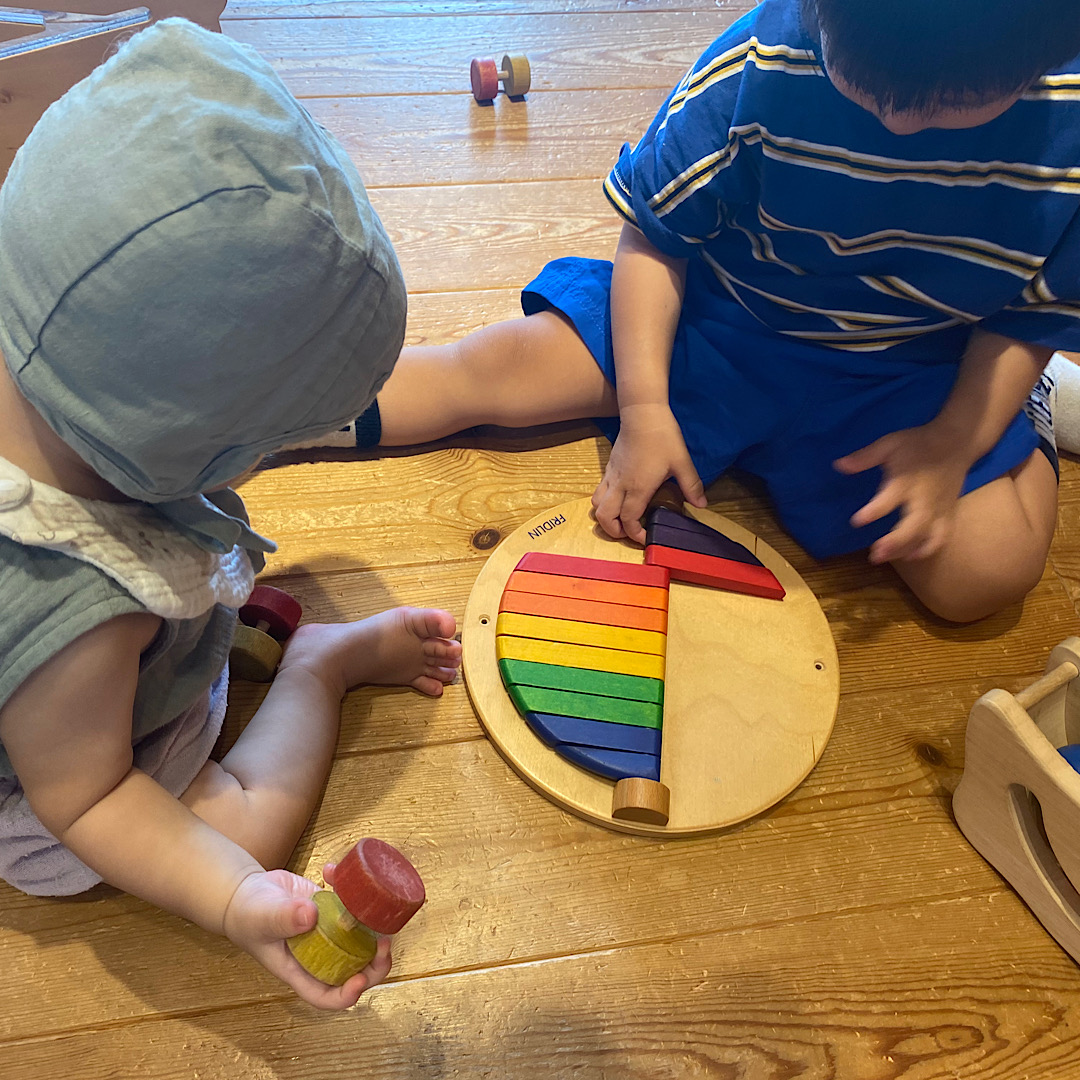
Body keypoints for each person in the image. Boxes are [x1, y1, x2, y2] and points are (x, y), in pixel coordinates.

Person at [324, 0, 1080, 624]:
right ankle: (282, 413)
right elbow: (655, 241)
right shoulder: (756, 63)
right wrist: (644, 404)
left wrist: (955, 441)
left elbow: (1031, 316)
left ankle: (1037, 403)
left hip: (913, 368)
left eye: (953, 105)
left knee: (987, 576)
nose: (899, 122)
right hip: (719, 323)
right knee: (491, 370)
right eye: (864, 84)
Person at [0, 20, 460, 1010]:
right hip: (62, 746)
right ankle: (316, 666)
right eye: (259, 445)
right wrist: (236, 898)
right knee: (237, 832)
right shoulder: (82, 610)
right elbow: (83, 797)